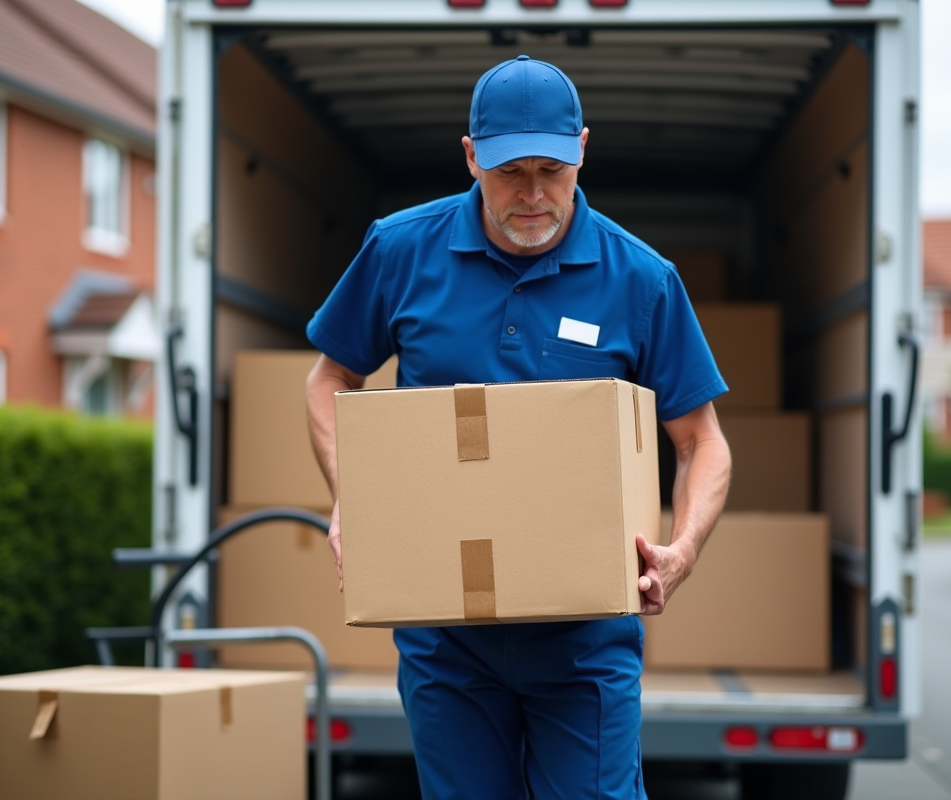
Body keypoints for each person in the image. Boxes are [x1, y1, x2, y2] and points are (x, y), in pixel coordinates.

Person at [305, 55, 732, 800]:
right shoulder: (402, 250)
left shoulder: (640, 278)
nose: (534, 195)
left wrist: (681, 551)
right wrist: (357, 497)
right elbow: (328, 378)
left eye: (553, 170)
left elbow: (702, 442)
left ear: (583, 151)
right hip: (445, 636)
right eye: (510, 172)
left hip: (583, 639)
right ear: (471, 158)